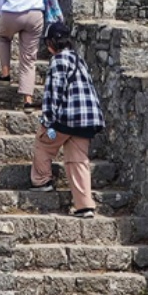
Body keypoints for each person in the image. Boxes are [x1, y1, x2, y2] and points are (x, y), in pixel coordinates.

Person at [30, 21, 105, 219]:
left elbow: (54, 93)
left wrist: (47, 121)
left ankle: (42, 180)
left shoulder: (58, 61)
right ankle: (84, 205)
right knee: (78, 160)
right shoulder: (78, 59)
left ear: (51, 43)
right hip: (88, 120)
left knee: (43, 142)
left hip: (68, 117)